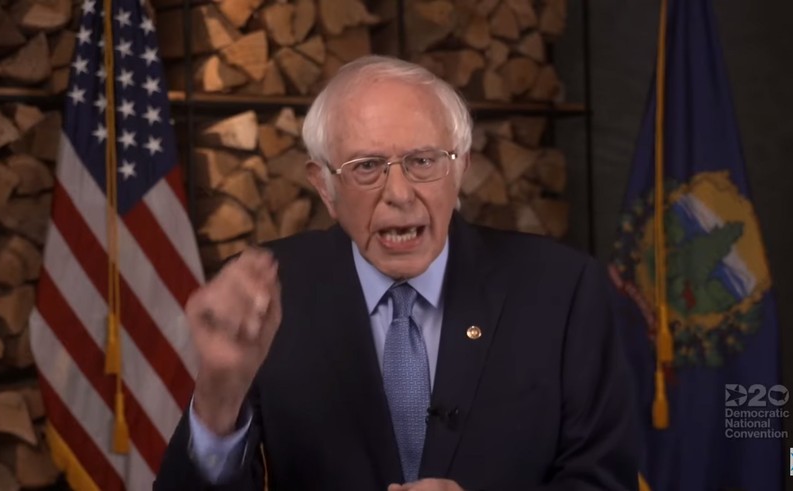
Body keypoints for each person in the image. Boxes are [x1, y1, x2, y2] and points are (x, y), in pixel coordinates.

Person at [156, 55, 637, 491]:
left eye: (423, 161)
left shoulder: (564, 289)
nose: (400, 193)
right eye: (367, 166)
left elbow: (603, 480)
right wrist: (219, 396)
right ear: (324, 187)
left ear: (461, 167)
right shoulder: (265, 293)